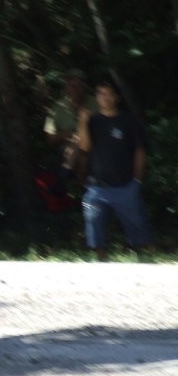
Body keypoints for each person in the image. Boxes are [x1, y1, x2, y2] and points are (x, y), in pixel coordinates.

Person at [77, 78, 153, 261]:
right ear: (96, 97)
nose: (105, 98)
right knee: (93, 220)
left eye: (109, 94)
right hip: (97, 184)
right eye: (101, 94)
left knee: (137, 223)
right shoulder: (92, 121)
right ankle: (101, 258)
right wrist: (82, 122)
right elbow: (84, 147)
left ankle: (149, 257)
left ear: (116, 97)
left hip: (125, 183)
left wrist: (137, 179)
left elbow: (139, 150)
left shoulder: (129, 120)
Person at [43, 69, 97, 187]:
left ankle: (63, 177)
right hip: (68, 150)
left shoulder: (95, 103)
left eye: (78, 86)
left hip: (94, 145)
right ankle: (81, 188)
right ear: (66, 87)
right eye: (71, 85)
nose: (74, 89)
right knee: (80, 154)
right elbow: (50, 139)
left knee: (81, 148)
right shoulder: (57, 108)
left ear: (85, 87)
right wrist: (64, 135)